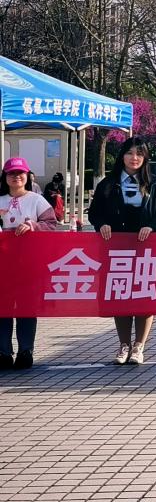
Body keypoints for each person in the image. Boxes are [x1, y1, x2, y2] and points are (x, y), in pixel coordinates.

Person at [88, 138, 156, 365]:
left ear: (145, 158)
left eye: (139, 153)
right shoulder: (108, 184)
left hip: (146, 249)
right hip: (117, 250)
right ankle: (124, 345)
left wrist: (153, 226)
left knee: (144, 295)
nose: (134, 158)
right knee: (120, 295)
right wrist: (102, 224)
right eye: (129, 153)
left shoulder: (154, 183)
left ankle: (139, 346)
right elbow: (95, 212)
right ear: (122, 156)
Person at [0, 157, 59, 370]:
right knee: (2, 308)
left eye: (20, 173)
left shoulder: (37, 200)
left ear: (27, 176)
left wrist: (33, 226)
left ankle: (26, 350)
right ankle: (3, 352)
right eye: (11, 173)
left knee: (26, 307)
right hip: (2, 264)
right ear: (5, 177)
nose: (16, 177)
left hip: (28, 263)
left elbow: (51, 224)